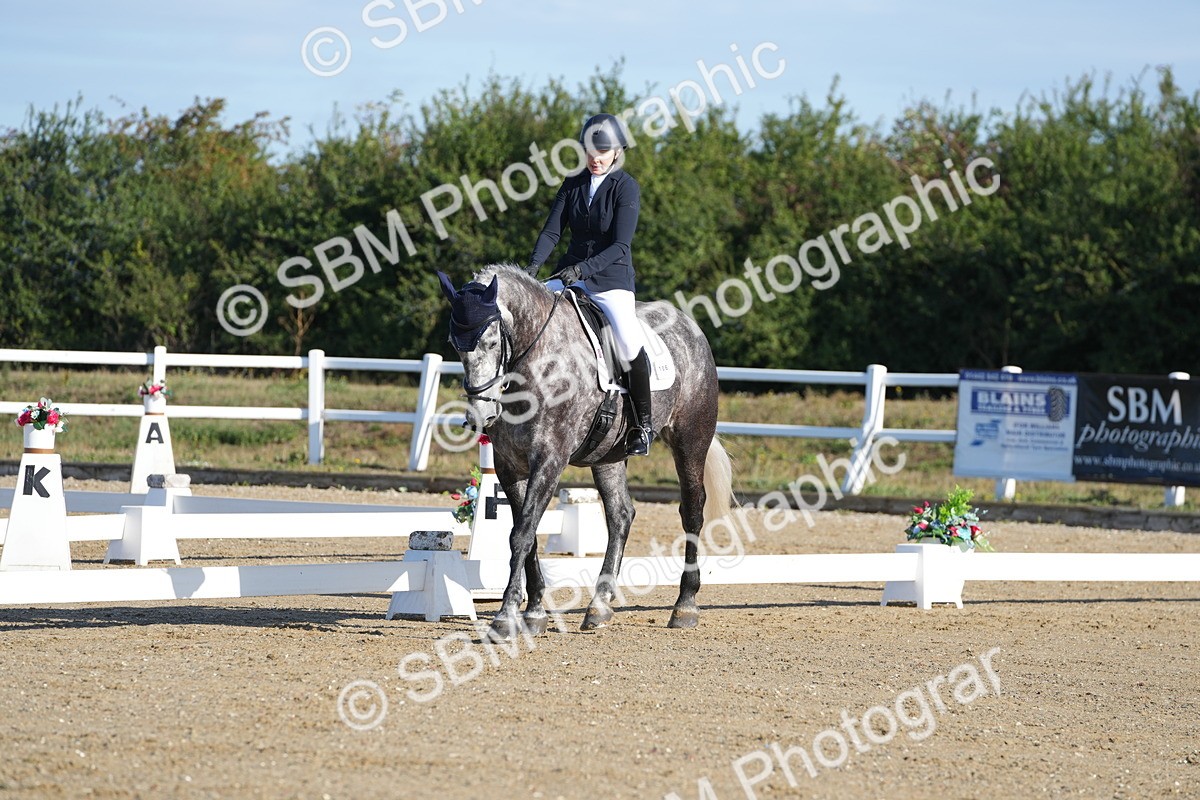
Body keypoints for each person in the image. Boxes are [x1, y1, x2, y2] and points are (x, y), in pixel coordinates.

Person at [527, 113, 655, 457]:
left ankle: (642, 425)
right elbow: (552, 231)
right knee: (531, 321)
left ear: (617, 152)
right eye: (589, 151)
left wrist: (582, 269)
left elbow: (620, 246)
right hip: (570, 275)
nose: (595, 158)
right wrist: (533, 268)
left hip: (610, 280)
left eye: (602, 152)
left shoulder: (625, 187)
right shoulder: (573, 183)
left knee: (627, 341)